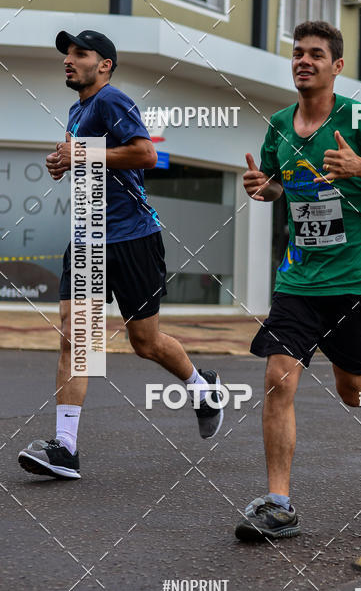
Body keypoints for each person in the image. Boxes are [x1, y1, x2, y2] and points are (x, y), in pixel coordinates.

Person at [235, 20, 361, 542]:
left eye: (316, 55)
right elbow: (280, 186)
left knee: (353, 391)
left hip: (355, 282)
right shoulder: (279, 125)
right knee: (279, 376)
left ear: (336, 67)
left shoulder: (360, 117)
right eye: (298, 53)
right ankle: (279, 504)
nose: (304, 61)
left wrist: (360, 165)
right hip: (299, 280)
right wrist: (266, 187)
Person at [18, 30, 224, 480]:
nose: (69, 60)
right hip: (89, 237)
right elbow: (88, 161)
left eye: (80, 54)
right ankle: (65, 449)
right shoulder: (77, 110)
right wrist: (64, 161)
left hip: (133, 237)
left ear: (105, 64)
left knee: (145, 343)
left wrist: (82, 154)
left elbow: (146, 154)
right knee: (77, 339)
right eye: (67, 54)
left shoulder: (113, 101)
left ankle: (201, 385)